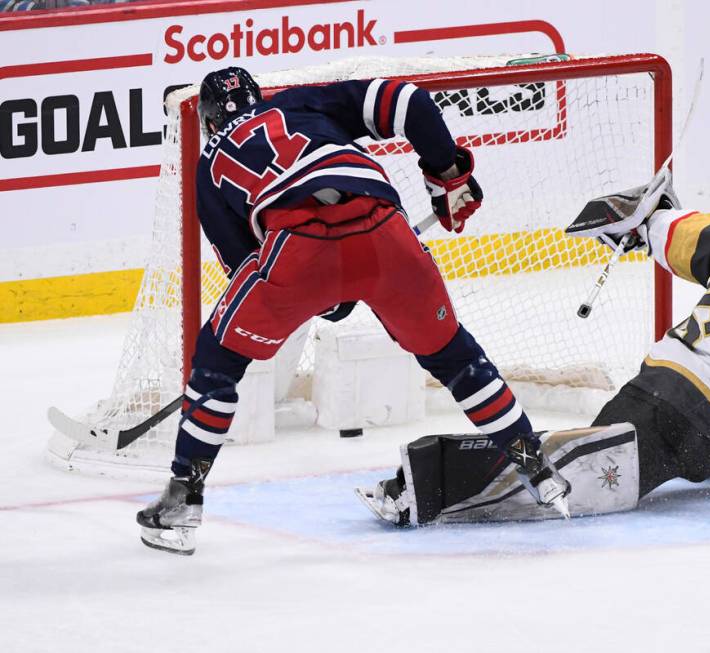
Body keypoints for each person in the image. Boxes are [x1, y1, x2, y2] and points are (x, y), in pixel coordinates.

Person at [137, 67, 569, 555]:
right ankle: (534, 463)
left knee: (217, 361)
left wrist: (321, 295)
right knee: (453, 356)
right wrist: (446, 175)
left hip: (298, 249)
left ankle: (182, 499)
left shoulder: (209, 162)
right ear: (260, 95)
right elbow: (411, 102)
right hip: (387, 232)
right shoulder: (301, 103)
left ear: (211, 121)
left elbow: (244, 265)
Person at [358, 171, 710, 525]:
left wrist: (642, 220)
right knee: (581, 478)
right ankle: (425, 482)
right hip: (681, 412)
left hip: (691, 401)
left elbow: (679, 232)